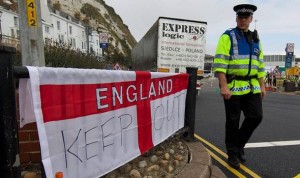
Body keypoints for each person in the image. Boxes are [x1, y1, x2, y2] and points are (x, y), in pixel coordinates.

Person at [213, 4, 266, 169]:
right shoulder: (227, 36)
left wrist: (262, 86)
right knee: (233, 121)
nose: (243, 20)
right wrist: (223, 85)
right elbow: (220, 62)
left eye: (246, 17)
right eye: (240, 17)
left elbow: (260, 65)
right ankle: (232, 153)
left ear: (250, 19)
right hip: (233, 85)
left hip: (252, 86)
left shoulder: (256, 39)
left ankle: (238, 145)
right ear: (236, 19)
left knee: (256, 116)